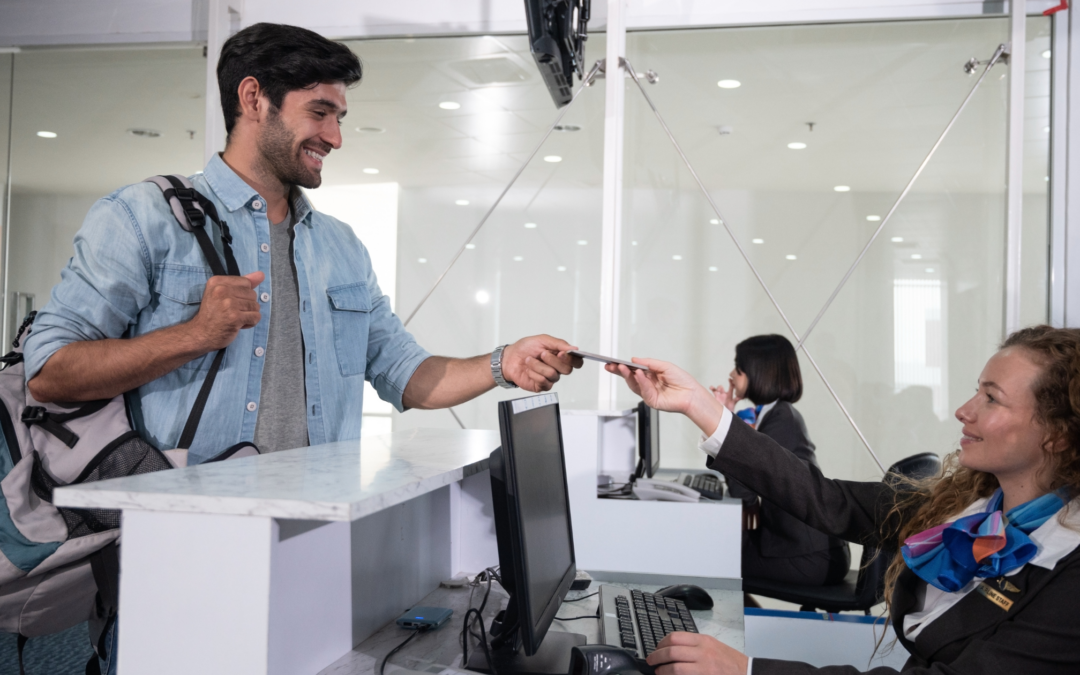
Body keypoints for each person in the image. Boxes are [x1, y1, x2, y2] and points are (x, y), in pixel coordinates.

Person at [23, 24, 582, 672]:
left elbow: (405, 372)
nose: (337, 137)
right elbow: (49, 371)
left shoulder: (341, 247)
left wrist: (499, 362)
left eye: (340, 116)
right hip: (182, 561)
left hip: (314, 559)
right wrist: (194, 334)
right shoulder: (143, 218)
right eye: (320, 111)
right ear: (254, 98)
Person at [606, 325, 1080, 674]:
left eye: (992, 399)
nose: (964, 410)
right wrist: (700, 408)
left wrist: (746, 670)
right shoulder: (971, 508)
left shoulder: (1069, 579)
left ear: (1056, 434)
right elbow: (826, 498)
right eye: (976, 391)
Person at [710, 335, 850, 593]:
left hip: (809, 557)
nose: (731, 374)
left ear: (759, 373)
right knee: (716, 546)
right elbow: (748, 494)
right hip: (807, 549)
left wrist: (721, 420)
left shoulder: (780, 421)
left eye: (738, 368)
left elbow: (744, 493)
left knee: (711, 553)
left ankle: (723, 629)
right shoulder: (777, 416)